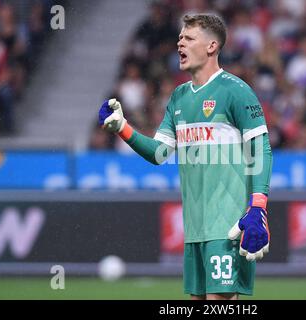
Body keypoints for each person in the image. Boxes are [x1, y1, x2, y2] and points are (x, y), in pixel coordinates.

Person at [98, 14, 272, 300]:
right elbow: (159, 153)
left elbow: (261, 149)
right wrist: (122, 128)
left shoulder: (236, 91)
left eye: (189, 38)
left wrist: (257, 208)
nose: (180, 43)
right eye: (180, 38)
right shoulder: (179, 97)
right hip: (195, 228)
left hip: (228, 225)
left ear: (212, 46)